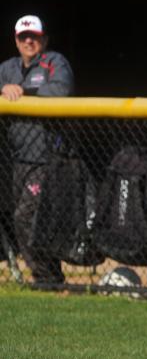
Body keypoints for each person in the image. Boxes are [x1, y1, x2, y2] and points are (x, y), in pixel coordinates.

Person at [0, 15, 74, 283]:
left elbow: (61, 90)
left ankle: (44, 277)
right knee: (27, 219)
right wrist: (3, 88)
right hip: (17, 159)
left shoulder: (55, 62)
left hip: (47, 159)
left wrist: (22, 93)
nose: (29, 41)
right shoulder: (7, 68)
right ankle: (51, 277)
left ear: (44, 39)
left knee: (26, 217)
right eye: (23, 37)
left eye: (34, 36)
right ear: (16, 41)